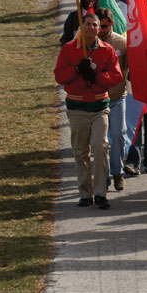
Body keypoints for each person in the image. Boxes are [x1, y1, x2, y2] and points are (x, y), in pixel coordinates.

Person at [54, 12, 123, 208]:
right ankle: (86, 193)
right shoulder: (69, 49)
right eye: (89, 24)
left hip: (100, 107)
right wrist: (77, 70)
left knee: (100, 147)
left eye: (96, 25)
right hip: (77, 108)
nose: (92, 28)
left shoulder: (107, 50)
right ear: (81, 27)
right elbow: (59, 75)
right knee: (80, 151)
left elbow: (116, 76)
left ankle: (101, 192)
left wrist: (95, 78)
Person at [95, 8, 128, 192]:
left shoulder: (121, 43)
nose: (100, 30)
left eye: (104, 26)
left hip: (117, 97)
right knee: (101, 141)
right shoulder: (89, 42)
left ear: (111, 24)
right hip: (97, 99)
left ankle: (118, 173)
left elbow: (129, 68)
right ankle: (103, 176)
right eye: (98, 26)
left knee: (117, 135)